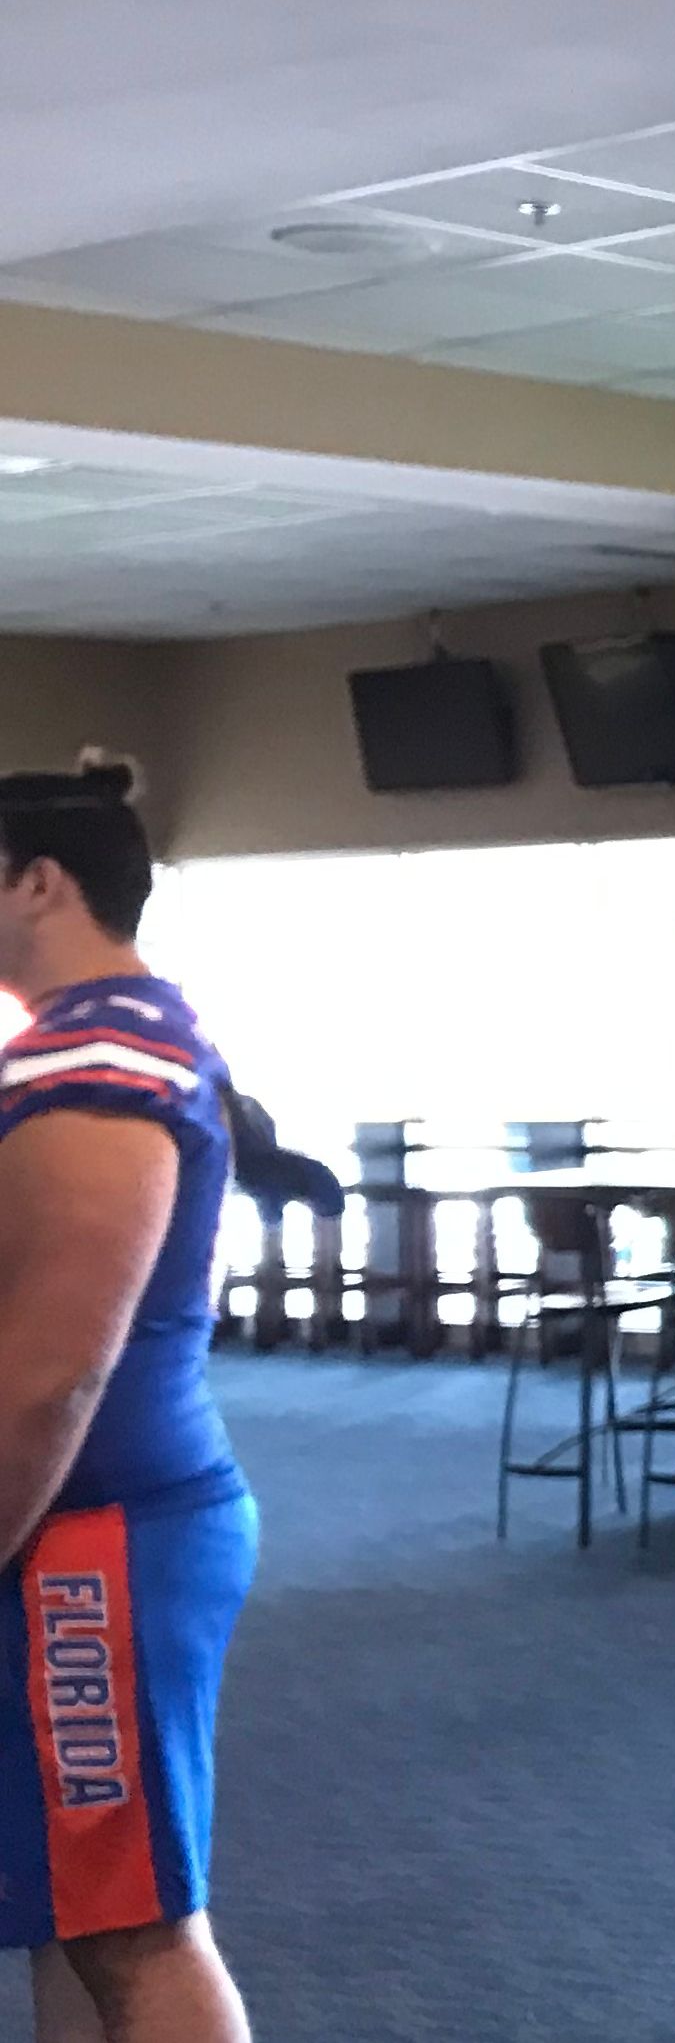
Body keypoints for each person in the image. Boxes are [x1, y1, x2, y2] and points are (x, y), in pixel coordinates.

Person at [0, 763, 255, 2043]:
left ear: (38, 882)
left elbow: (56, 1372)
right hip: (70, 1531)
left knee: (131, 1934)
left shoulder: (103, 1047)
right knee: (66, 1908)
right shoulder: (96, 1033)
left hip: (92, 1534)